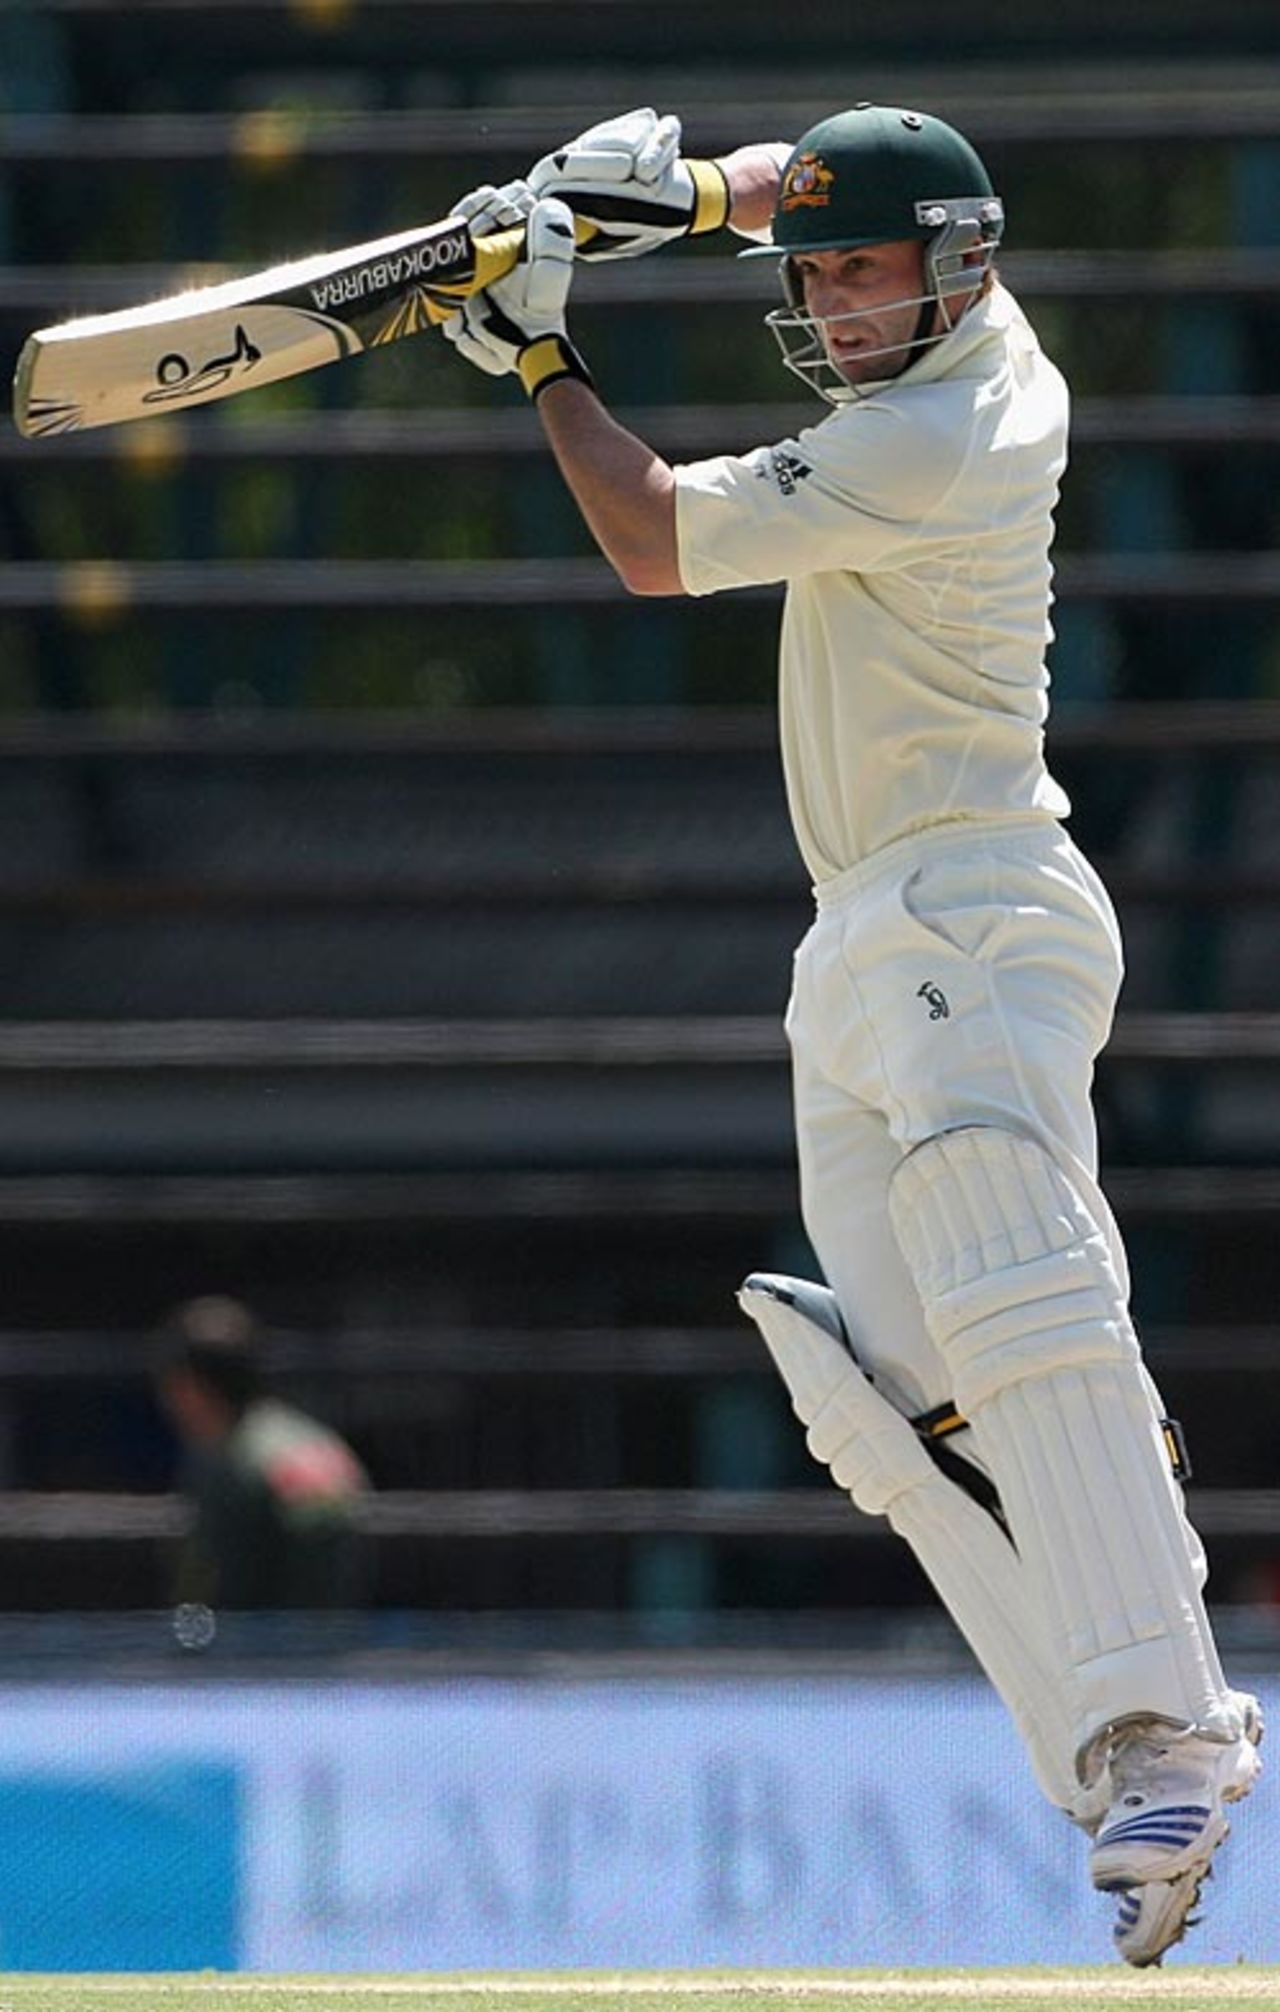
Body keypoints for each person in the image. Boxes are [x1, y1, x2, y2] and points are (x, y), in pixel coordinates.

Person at [439, 104, 1262, 1964]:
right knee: (897, 1393)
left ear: (958, 267)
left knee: (1014, 1288)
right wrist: (656, 199)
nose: (828, 297)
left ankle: (1176, 1729)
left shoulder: (949, 427)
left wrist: (545, 346)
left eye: (858, 269)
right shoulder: (916, 330)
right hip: (866, 930)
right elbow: (818, 175)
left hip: (977, 898)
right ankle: (1111, 1721)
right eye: (807, 271)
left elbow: (650, 541)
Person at [156, 1295, 369, 1612]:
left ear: (191, 1385)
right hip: (333, 1641)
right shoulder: (312, 1437)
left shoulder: (228, 1462)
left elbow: (217, 1590)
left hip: (262, 1648)